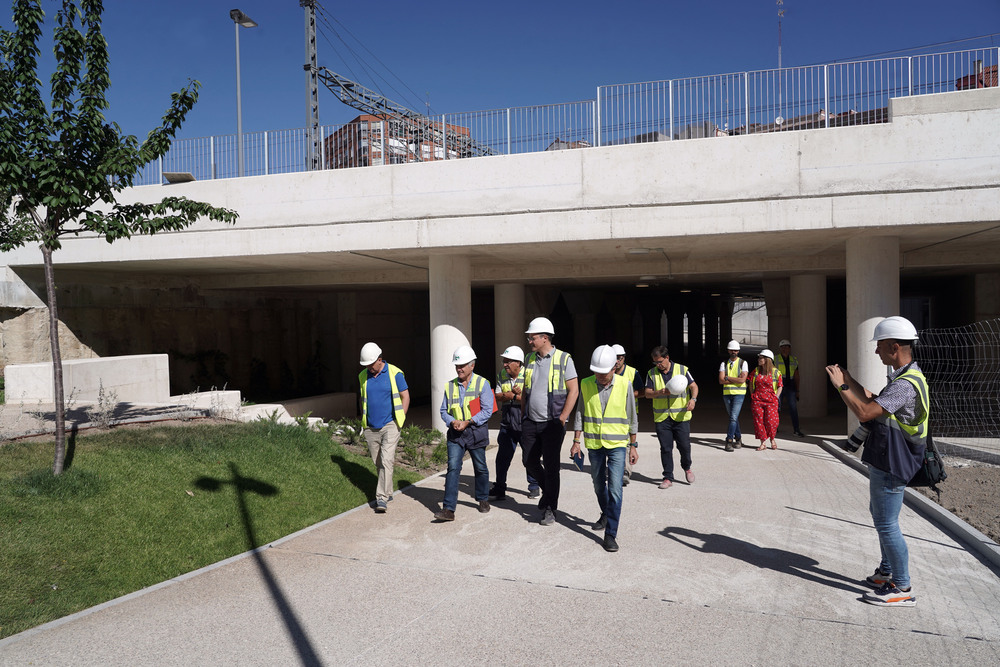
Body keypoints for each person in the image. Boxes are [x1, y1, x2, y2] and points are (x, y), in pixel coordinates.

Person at [826, 315, 928, 607]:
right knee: (881, 516)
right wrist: (849, 379)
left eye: (879, 346)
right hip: (889, 458)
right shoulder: (904, 377)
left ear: (894, 347)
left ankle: (902, 585)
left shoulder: (905, 384)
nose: (875, 351)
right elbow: (873, 400)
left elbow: (866, 413)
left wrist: (841, 387)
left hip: (895, 461)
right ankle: (886, 572)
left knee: (886, 524)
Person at [571, 345, 639, 553]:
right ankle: (606, 512)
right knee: (599, 485)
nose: (599, 376)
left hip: (617, 444)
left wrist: (633, 445)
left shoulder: (625, 385)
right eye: (596, 372)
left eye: (603, 372)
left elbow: (631, 415)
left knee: (615, 489)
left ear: (614, 368)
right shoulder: (585, 384)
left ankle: (611, 534)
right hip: (594, 444)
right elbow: (580, 412)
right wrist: (576, 440)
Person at [520, 316, 580, 526]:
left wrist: (563, 418)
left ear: (544, 338)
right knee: (529, 460)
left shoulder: (564, 359)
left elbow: (574, 390)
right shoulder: (529, 359)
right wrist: (522, 414)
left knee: (552, 467)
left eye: (532, 337)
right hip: (530, 420)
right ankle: (549, 494)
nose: (529, 341)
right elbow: (526, 390)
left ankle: (549, 508)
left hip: (552, 423)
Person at [434, 345, 495, 522]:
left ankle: (483, 498)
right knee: (453, 467)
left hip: (476, 431)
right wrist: (452, 421)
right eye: (457, 365)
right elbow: (443, 410)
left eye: (462, 365)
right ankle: (448, 509)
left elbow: (487, 410)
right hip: (456, 434)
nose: (459, 368)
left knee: (480, 467)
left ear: (472, 365)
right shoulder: (450, 386)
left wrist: (468, 422)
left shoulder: (483, 384)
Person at [358, 342, 410, 513]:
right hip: (370, 426)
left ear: (380, 360)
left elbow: (405, 396)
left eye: (370, 365)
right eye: (365, 365)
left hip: (391, 424)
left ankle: (381, 499)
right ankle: (388, 491)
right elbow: (363, 399)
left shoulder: (395, 373)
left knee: (387, 460)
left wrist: (399, 420)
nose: (368, 368)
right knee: (378, 461)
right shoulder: (363, 376)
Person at [489, 345, 540, 500]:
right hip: (507, 422)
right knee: (502, 458)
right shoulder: (502, 375)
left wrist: (515, 397)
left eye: (508, 361)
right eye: (504, 361)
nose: (504, 364)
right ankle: (499, 488)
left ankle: (534, 486)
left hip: (525, 422)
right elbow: (497, 396)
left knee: (530, 456)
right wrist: (510, 395)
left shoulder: (530, 375)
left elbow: (533, 398)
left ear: (518, 363)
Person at [645, 345, 698, 489]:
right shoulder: (652, 373)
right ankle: (668, 477)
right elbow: (647, 393)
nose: (658, 365)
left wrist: (693, 400)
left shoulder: (682, 370)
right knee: (666, 448)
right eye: (655, 362)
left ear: (667, 358)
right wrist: (659, 392)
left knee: (684, 446)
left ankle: (687, 467)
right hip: (662, 418)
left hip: (680, 416)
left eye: (660, 361)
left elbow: (694, 386)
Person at [612, 343, 643, 485]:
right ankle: (616, 468)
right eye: (615, 358)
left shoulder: (632, 372)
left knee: (627, 442)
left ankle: (625, 471)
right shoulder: (606, 372)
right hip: (612, 414)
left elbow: (642, 391)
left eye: (620, 358)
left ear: (624, 358)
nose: (617, 361)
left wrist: (627, 394)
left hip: (629, 413)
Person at [718, 339, 749, 451]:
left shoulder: (743, 363)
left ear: (738, 351)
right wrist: (736, 379)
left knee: (733, 418)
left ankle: (729, 441)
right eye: (732, 350)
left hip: (739, 394)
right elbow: (721, 380)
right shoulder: (724, 363)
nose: (733, 352)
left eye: (735, 350)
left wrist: (728, 377)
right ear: (728, 350)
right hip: (727, 394)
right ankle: (739, 439)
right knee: (733, 418)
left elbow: (742, 381)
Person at [749, 349, 783, 450]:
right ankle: (763, 442)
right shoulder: (756, 371)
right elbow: (750, 383)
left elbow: (780, 385)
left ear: (767, 359)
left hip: (771, 400)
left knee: (772, 421)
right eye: (759, 357)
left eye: (761, 358)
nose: (759, 359)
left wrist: (776, 397)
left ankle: (772, 439)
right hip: (757, 400)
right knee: (758, 421)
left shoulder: (776, 372)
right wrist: (752, 395)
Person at [775, 339, 804, 437]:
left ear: (789, 348)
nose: (784, 349)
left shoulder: (794, 360)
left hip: (790, 386)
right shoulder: (775, 359)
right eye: (782, 347)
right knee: (776, 408)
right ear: (780, 348)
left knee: (793, 408)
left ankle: (796, 430)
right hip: (778, 385)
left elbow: (797, 376)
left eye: (786, 347)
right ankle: (774, 428)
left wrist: (797, 390)